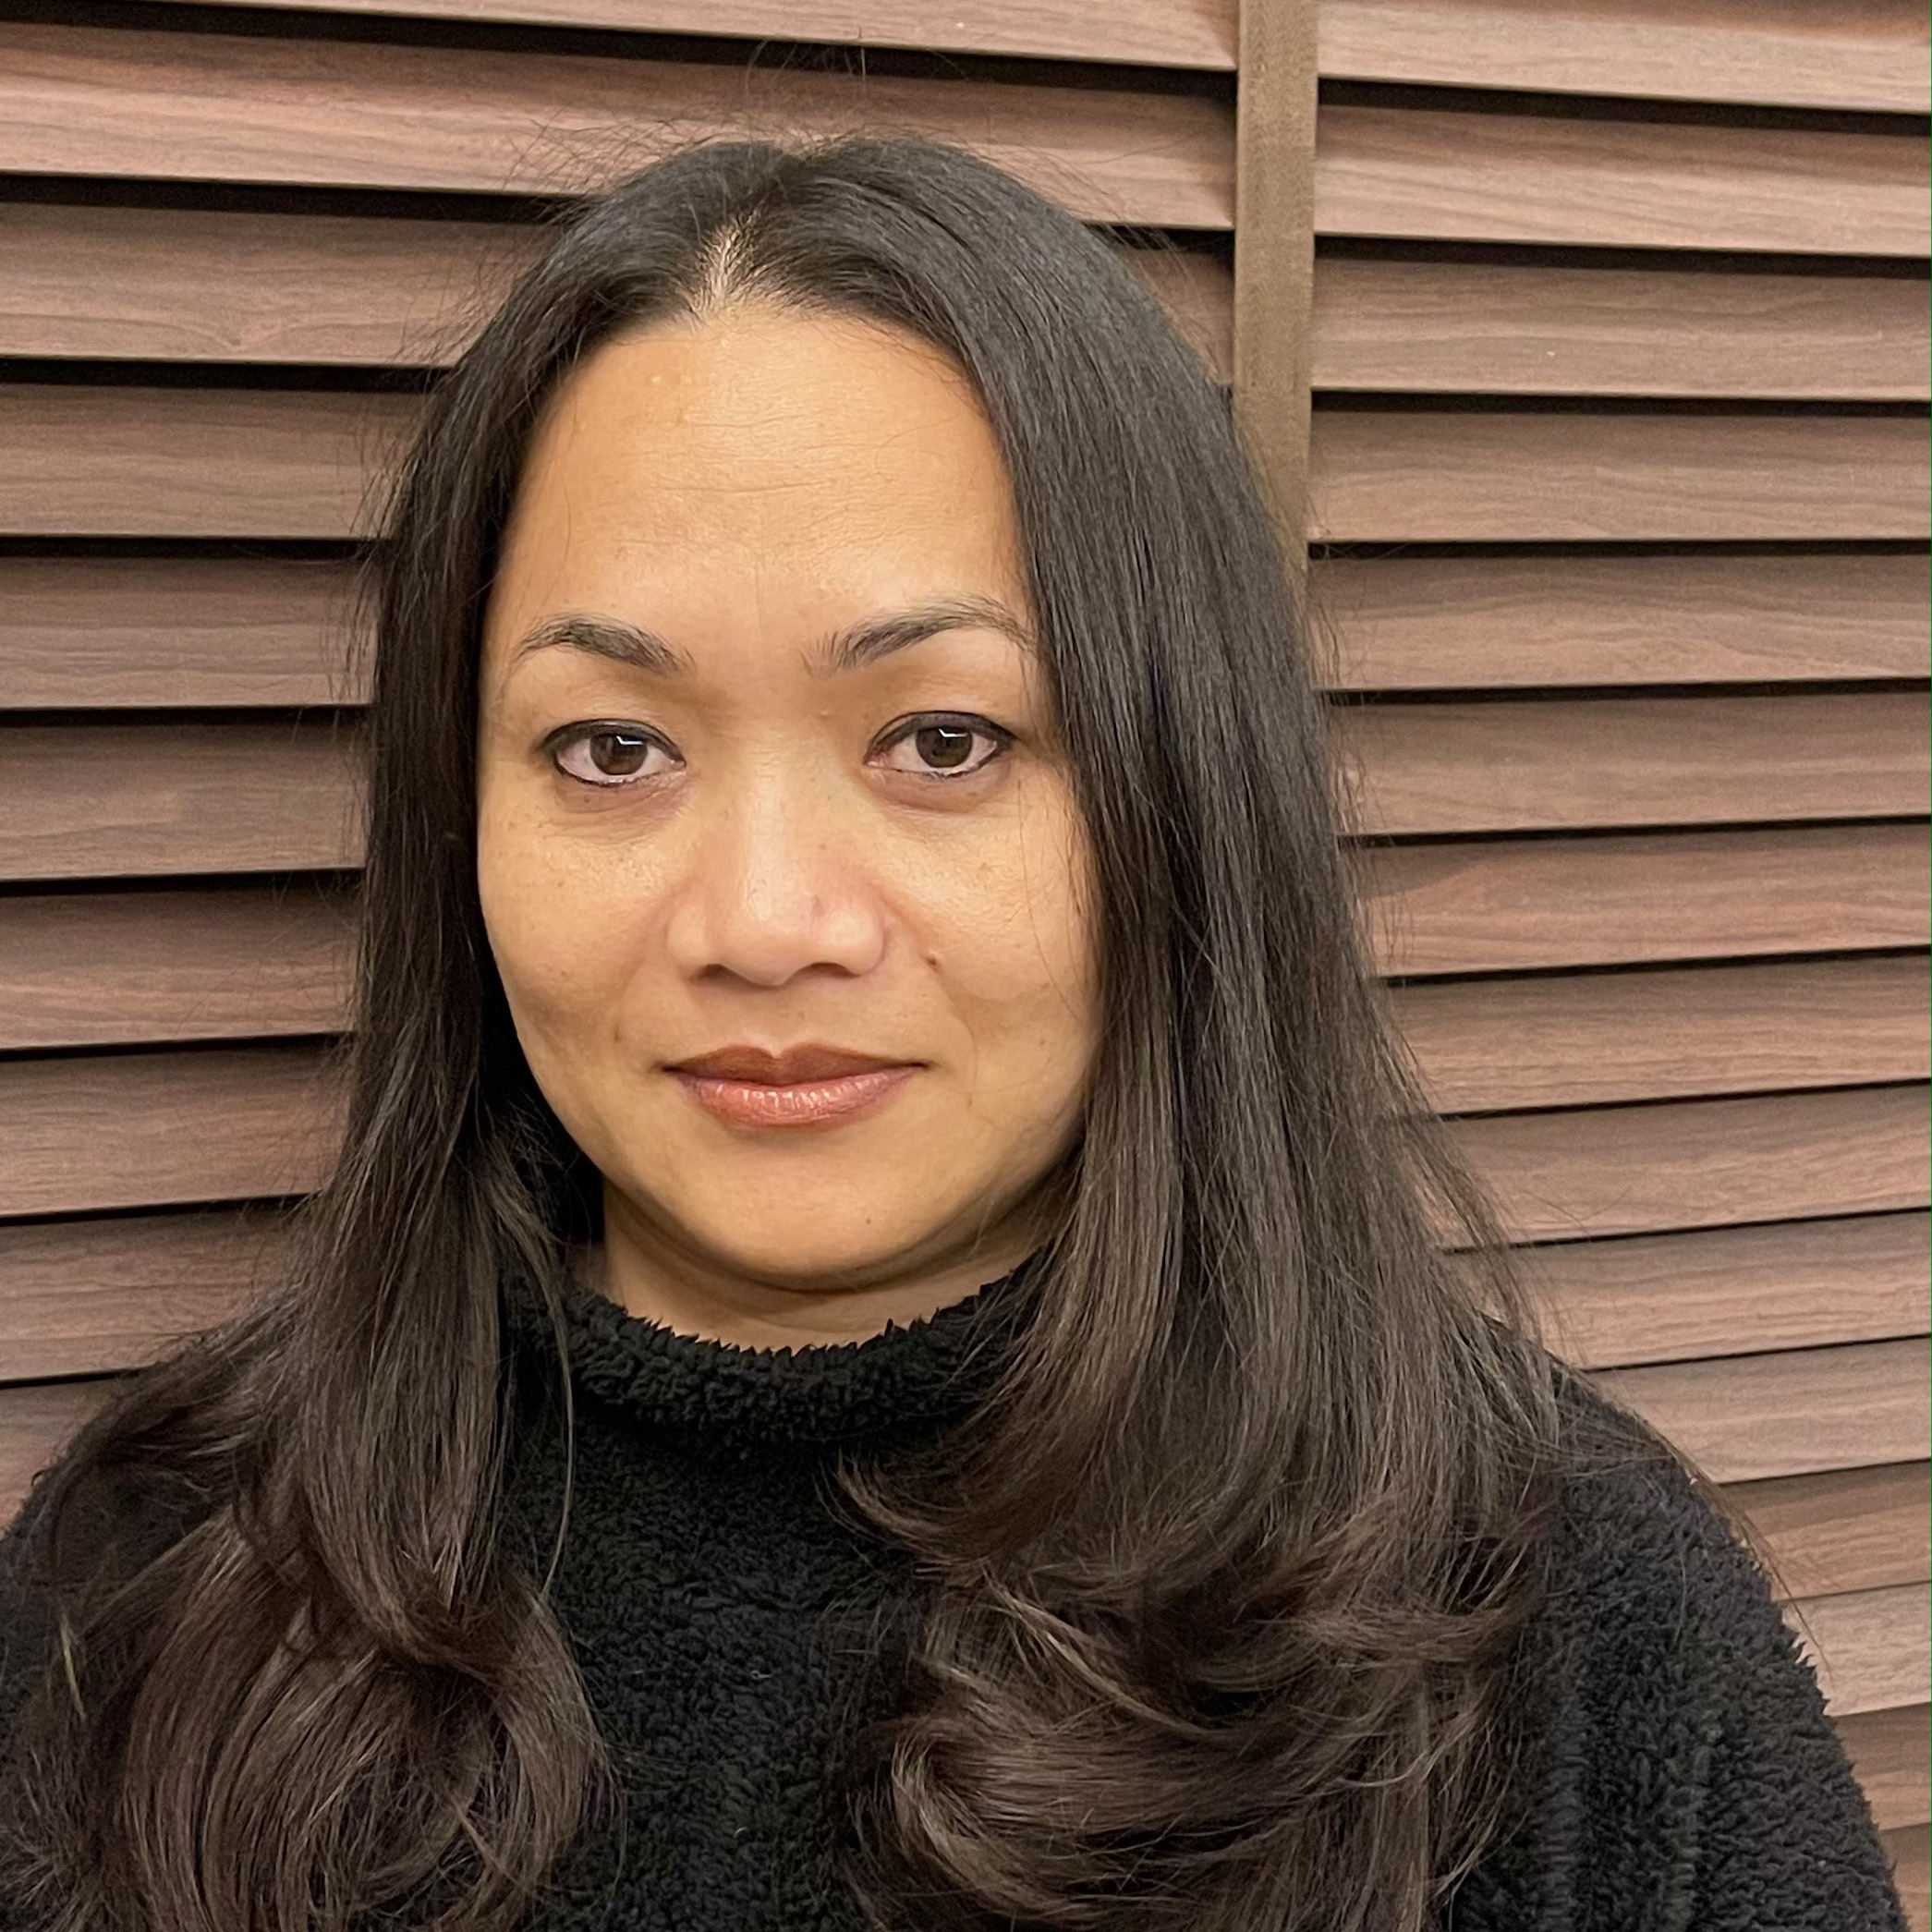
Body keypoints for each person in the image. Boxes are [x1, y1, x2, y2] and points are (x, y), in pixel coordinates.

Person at [0, 137, 1904, 1932]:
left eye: (942, 741)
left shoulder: (1552, 1617)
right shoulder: (167, 1570)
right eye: (611, 747)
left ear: (1176, 796)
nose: (760, 922)